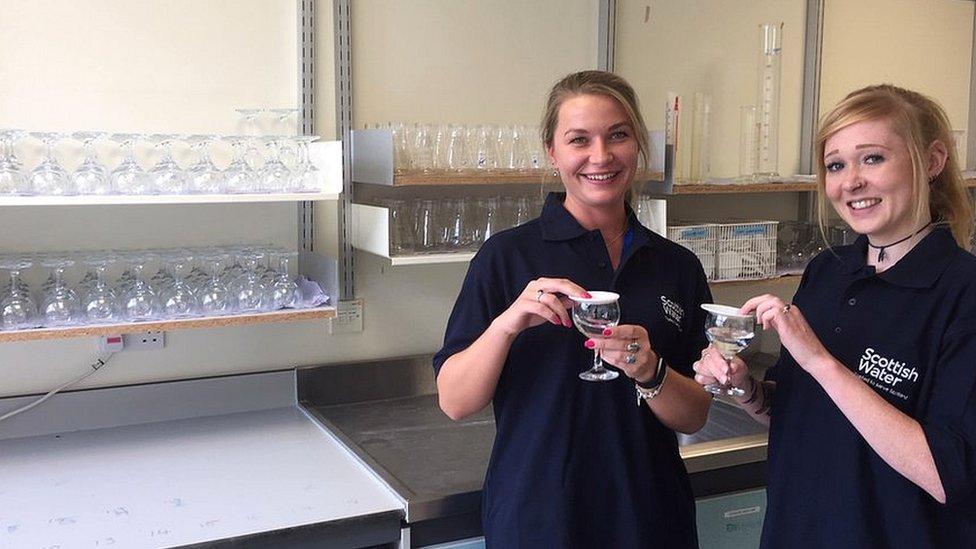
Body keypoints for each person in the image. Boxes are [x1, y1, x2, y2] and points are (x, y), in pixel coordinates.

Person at [433, 70, 713, 548]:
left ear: (638, 144)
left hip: (650, 517)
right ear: (553, 152)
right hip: (540, 518)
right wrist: (507, 325)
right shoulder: (507, 257)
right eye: (579, 140)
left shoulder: (676, 266)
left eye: (618, 135)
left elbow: (693, 415)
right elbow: (455, 402)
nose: (600, 156)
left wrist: (649, 371)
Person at [694, 84, 976, 548]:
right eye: (835, 165)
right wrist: (744, 388)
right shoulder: (827, 271)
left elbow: (948, 475)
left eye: (873, 158)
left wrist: (821, 363)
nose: (851, 182)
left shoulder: (961, 293)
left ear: (932, 161)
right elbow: (791, 412)